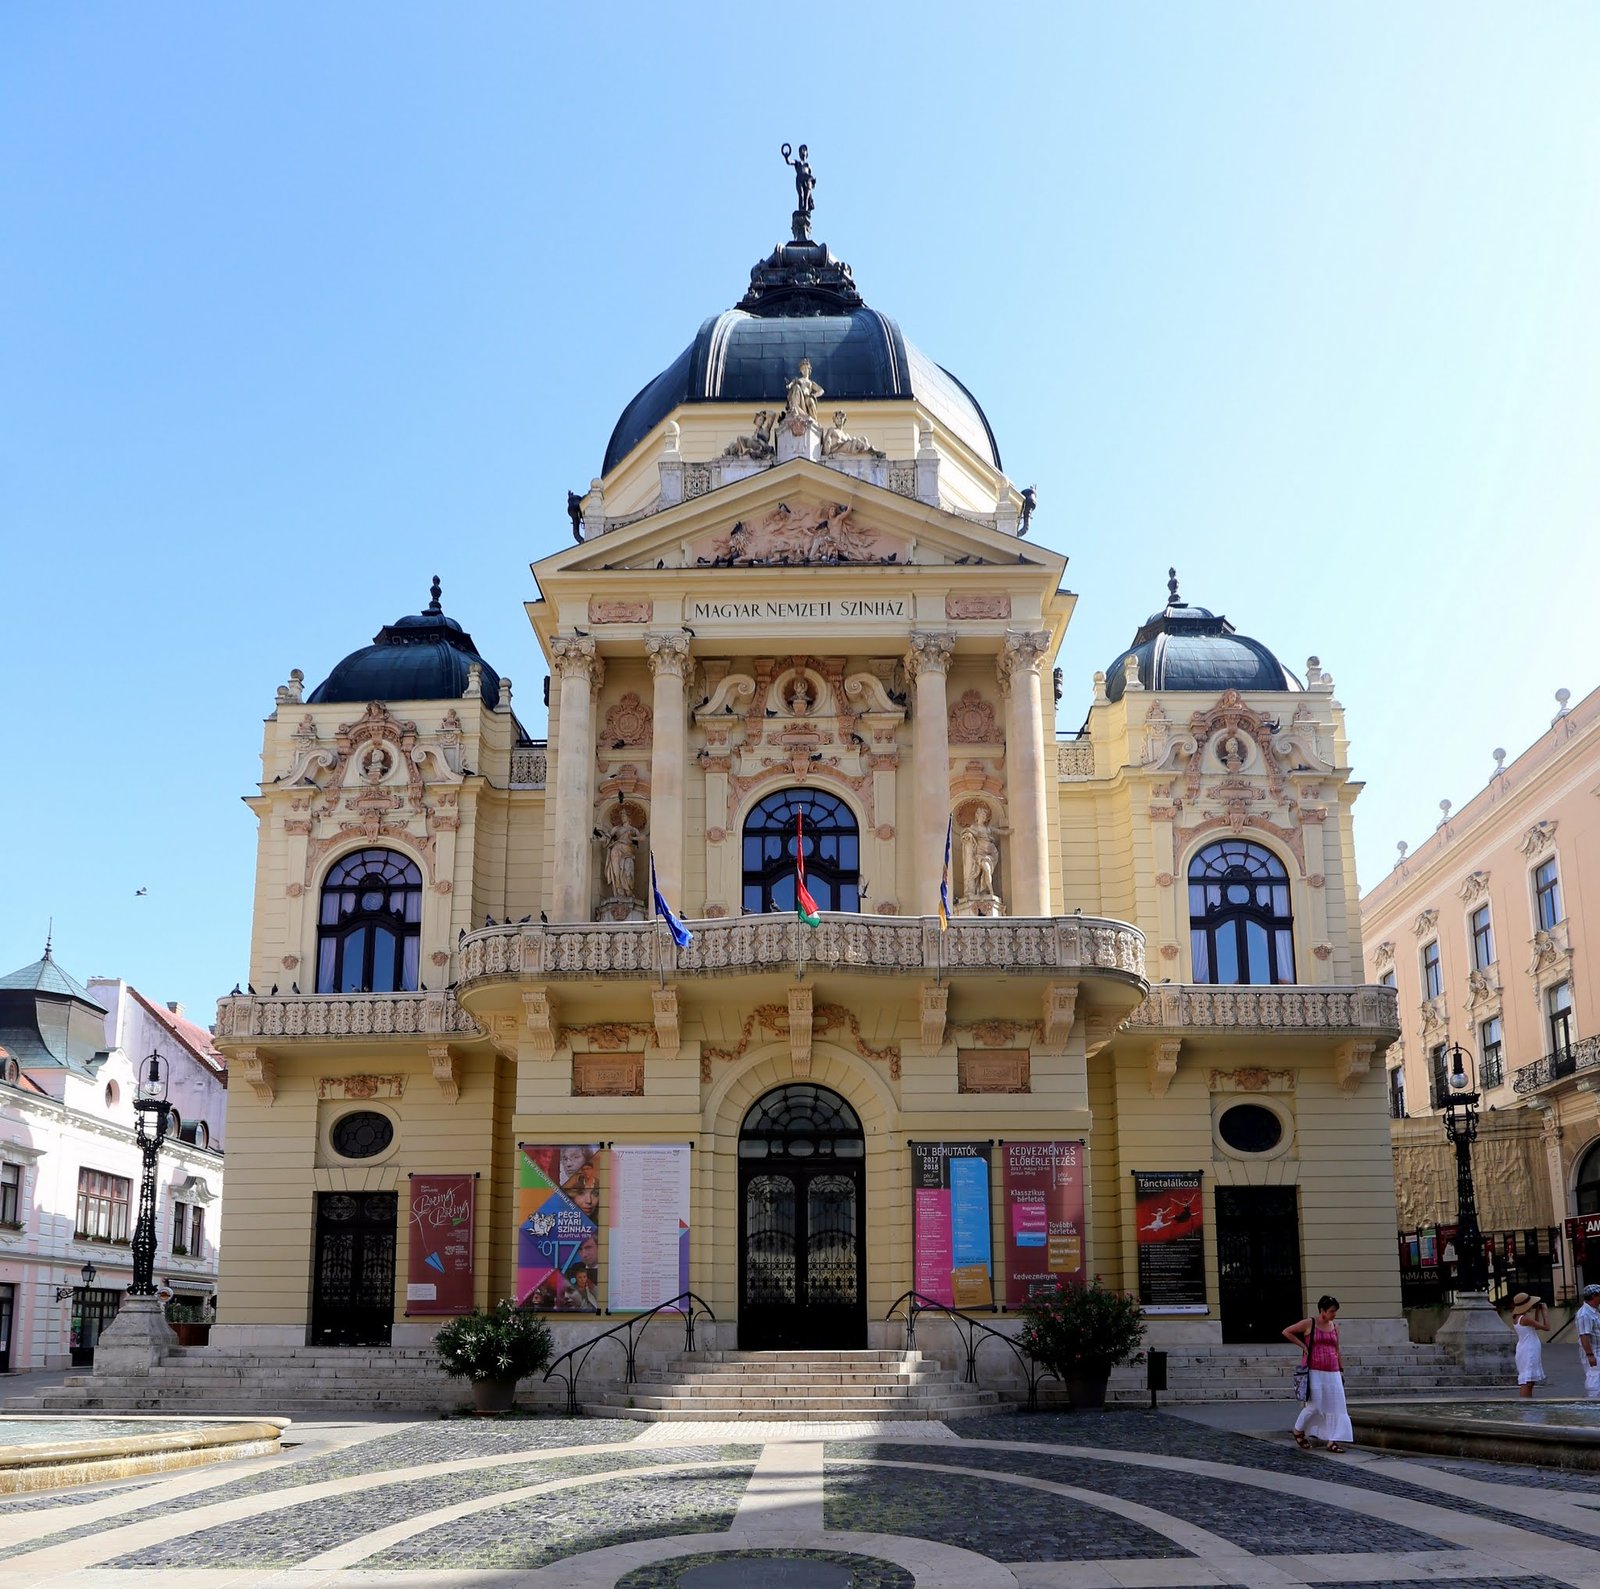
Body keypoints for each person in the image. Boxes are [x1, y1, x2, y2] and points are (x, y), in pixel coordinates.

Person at [1283, 1295, 1352, 1452]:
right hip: (1315, 1370)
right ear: (1322, 1310)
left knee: (1337, 1406)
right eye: (1331, 1311)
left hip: (1333, 1370)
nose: (1334, 1314)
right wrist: (1303, 1346)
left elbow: (1337, 1349)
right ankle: (1297, 1430)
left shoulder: (1335, 1326)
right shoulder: (1310, 1323)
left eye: (1335, 1311)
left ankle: (1333, 1440)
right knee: (1315, 1405)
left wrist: (1341, 1370)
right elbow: (1287, 1331)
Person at [1510, 1292, 1548, 1397]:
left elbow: (1535, 1326)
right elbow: (1546, 1327)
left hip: (1524, 1348)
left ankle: (1527, 1401)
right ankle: (1525, 1402)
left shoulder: (1518, 1318)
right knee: (1527, 1381)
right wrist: (1545, 1313)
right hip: (1529, 1349)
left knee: (1529, 1380)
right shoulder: (1525, 1319)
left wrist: (1537, 1312)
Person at [1578, 1282, 1600, 1398]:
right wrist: (1590, 1355)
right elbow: (1584, 1336)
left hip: (1598, 1349)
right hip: (1594, 1352)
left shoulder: (1595, 1310)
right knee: (1594, 1377)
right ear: (1593, 1296)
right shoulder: (1584, 1314)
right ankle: (1593, 1400)